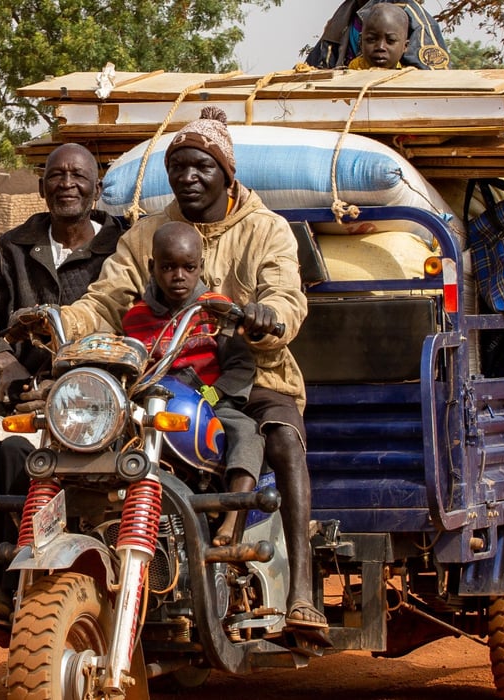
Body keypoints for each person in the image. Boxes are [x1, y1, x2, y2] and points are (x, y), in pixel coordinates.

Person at [54, 106, 327, 633]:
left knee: (284, 440)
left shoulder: (267, 230)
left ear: (227, 173)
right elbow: (106, 300)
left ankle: (302, 592)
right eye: (177, 166)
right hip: (160, 380)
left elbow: (286, 297)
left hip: (251, 377)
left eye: (201, 166)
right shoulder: (147, 234)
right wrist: (61, 323)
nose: (187, 176)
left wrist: (268, 317)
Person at [0, 143, 127, 646]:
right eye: (56, 175)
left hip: (99, 403)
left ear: (97, 187)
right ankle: (2, 591)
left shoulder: (123, 245)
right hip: (26, 401)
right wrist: (2, 363)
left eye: (79, 175)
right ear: (41, 185)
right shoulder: (13, 248)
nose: (66, 184)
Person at [121, 221, 265, 546]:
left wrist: (213, 395)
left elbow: (241, 365)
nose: (178, 276)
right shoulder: (135, 317)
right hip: (148, 403)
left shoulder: (217, 311)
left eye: (188, 267)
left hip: (208, 402)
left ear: (201, 266)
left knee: (248, 433)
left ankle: (232, 515)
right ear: (152, 266)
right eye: (168, 267)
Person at [305, 0, 450, 71]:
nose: (381, 46)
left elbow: (435, 82)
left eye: (390, 40)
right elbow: (311, 72)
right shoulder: (343, 16)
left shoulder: (415, 19)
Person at [347, 3, 409, 70]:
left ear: (405, 46)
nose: (380, 47)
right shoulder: (351, 72)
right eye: (371, 39)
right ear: (361, 42)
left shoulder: (412, 77)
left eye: (391, 40)